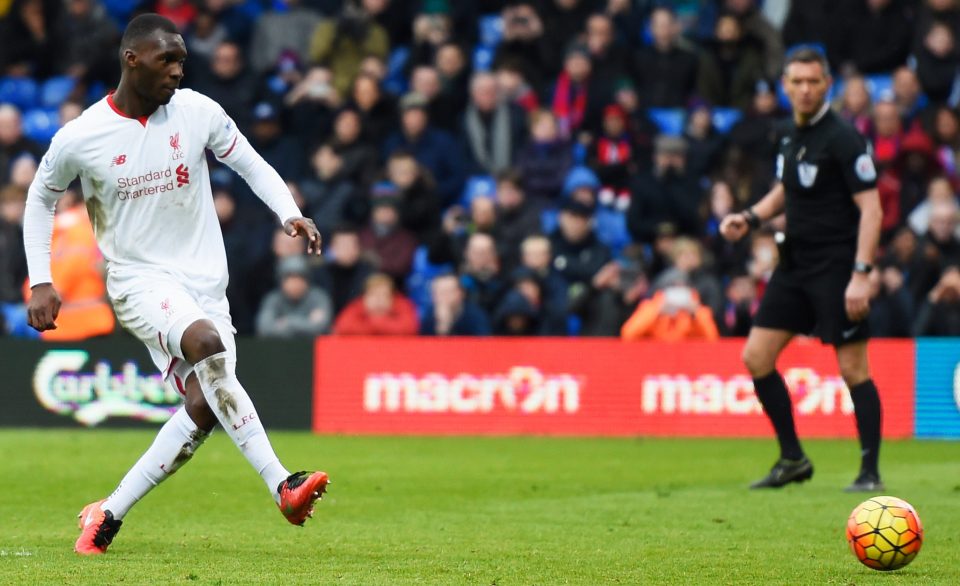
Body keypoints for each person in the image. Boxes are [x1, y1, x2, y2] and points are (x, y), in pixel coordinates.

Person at [22, 15, 329, 556]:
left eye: (182, 60)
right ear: (132, 59)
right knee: (206, 346)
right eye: (167, 60)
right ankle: (282, 484)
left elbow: (251, 163)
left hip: (207, 284)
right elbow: (40, 198)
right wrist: (41, 279)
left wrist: (290, 212)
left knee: (205, 404)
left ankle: (107, 513)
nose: (178, 71)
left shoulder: (198, 112)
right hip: (138, 281)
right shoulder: (81, 136)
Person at [719, 48, 885, 492]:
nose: (806, 89)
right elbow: (784, 190)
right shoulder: (787, 134)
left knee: (853, 369)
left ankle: (869, 472)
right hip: (794, 264)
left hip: (836, 267)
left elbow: (872, 210)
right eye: (797, 82)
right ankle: (792, 458)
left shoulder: (844, 138)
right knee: (756, 357)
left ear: (827, 83)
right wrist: (750, 218)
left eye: (813, 81)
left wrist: (862, 273)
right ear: (786, 86)